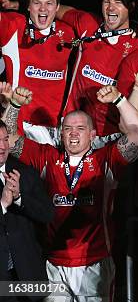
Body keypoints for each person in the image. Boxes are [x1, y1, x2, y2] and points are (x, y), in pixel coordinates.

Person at [2, 83, 138, 302]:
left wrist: (119, 100)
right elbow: (7, 141)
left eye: (80, 129)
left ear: (92, 134)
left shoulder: (106, 159)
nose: (72, 134)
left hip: (94, 263)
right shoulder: (47, 158)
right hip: (54, 265)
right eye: (67, 129)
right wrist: (14, 105)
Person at [52, 0, 138, 147]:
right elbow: (57, 10)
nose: (111, 8)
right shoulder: (88, 23)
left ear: (130, 7)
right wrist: (19, 4)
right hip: (72, 128)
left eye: (118, 2)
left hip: (109, 136)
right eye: (106, 1)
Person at [0, 0, 76, 144]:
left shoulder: (68, 33)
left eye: (49, 3)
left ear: (57, 8)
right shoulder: (14, 24)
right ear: (28, 7)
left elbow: (78, 15)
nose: (43, 9)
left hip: (54, 129)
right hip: (17, 126)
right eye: (37, 3)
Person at [0, 109, 54, 302]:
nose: (2, 146)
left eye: (5, 140)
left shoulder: (23, 172)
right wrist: (4, 204)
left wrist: (20, 198)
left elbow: (48, 214)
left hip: (28, 277)